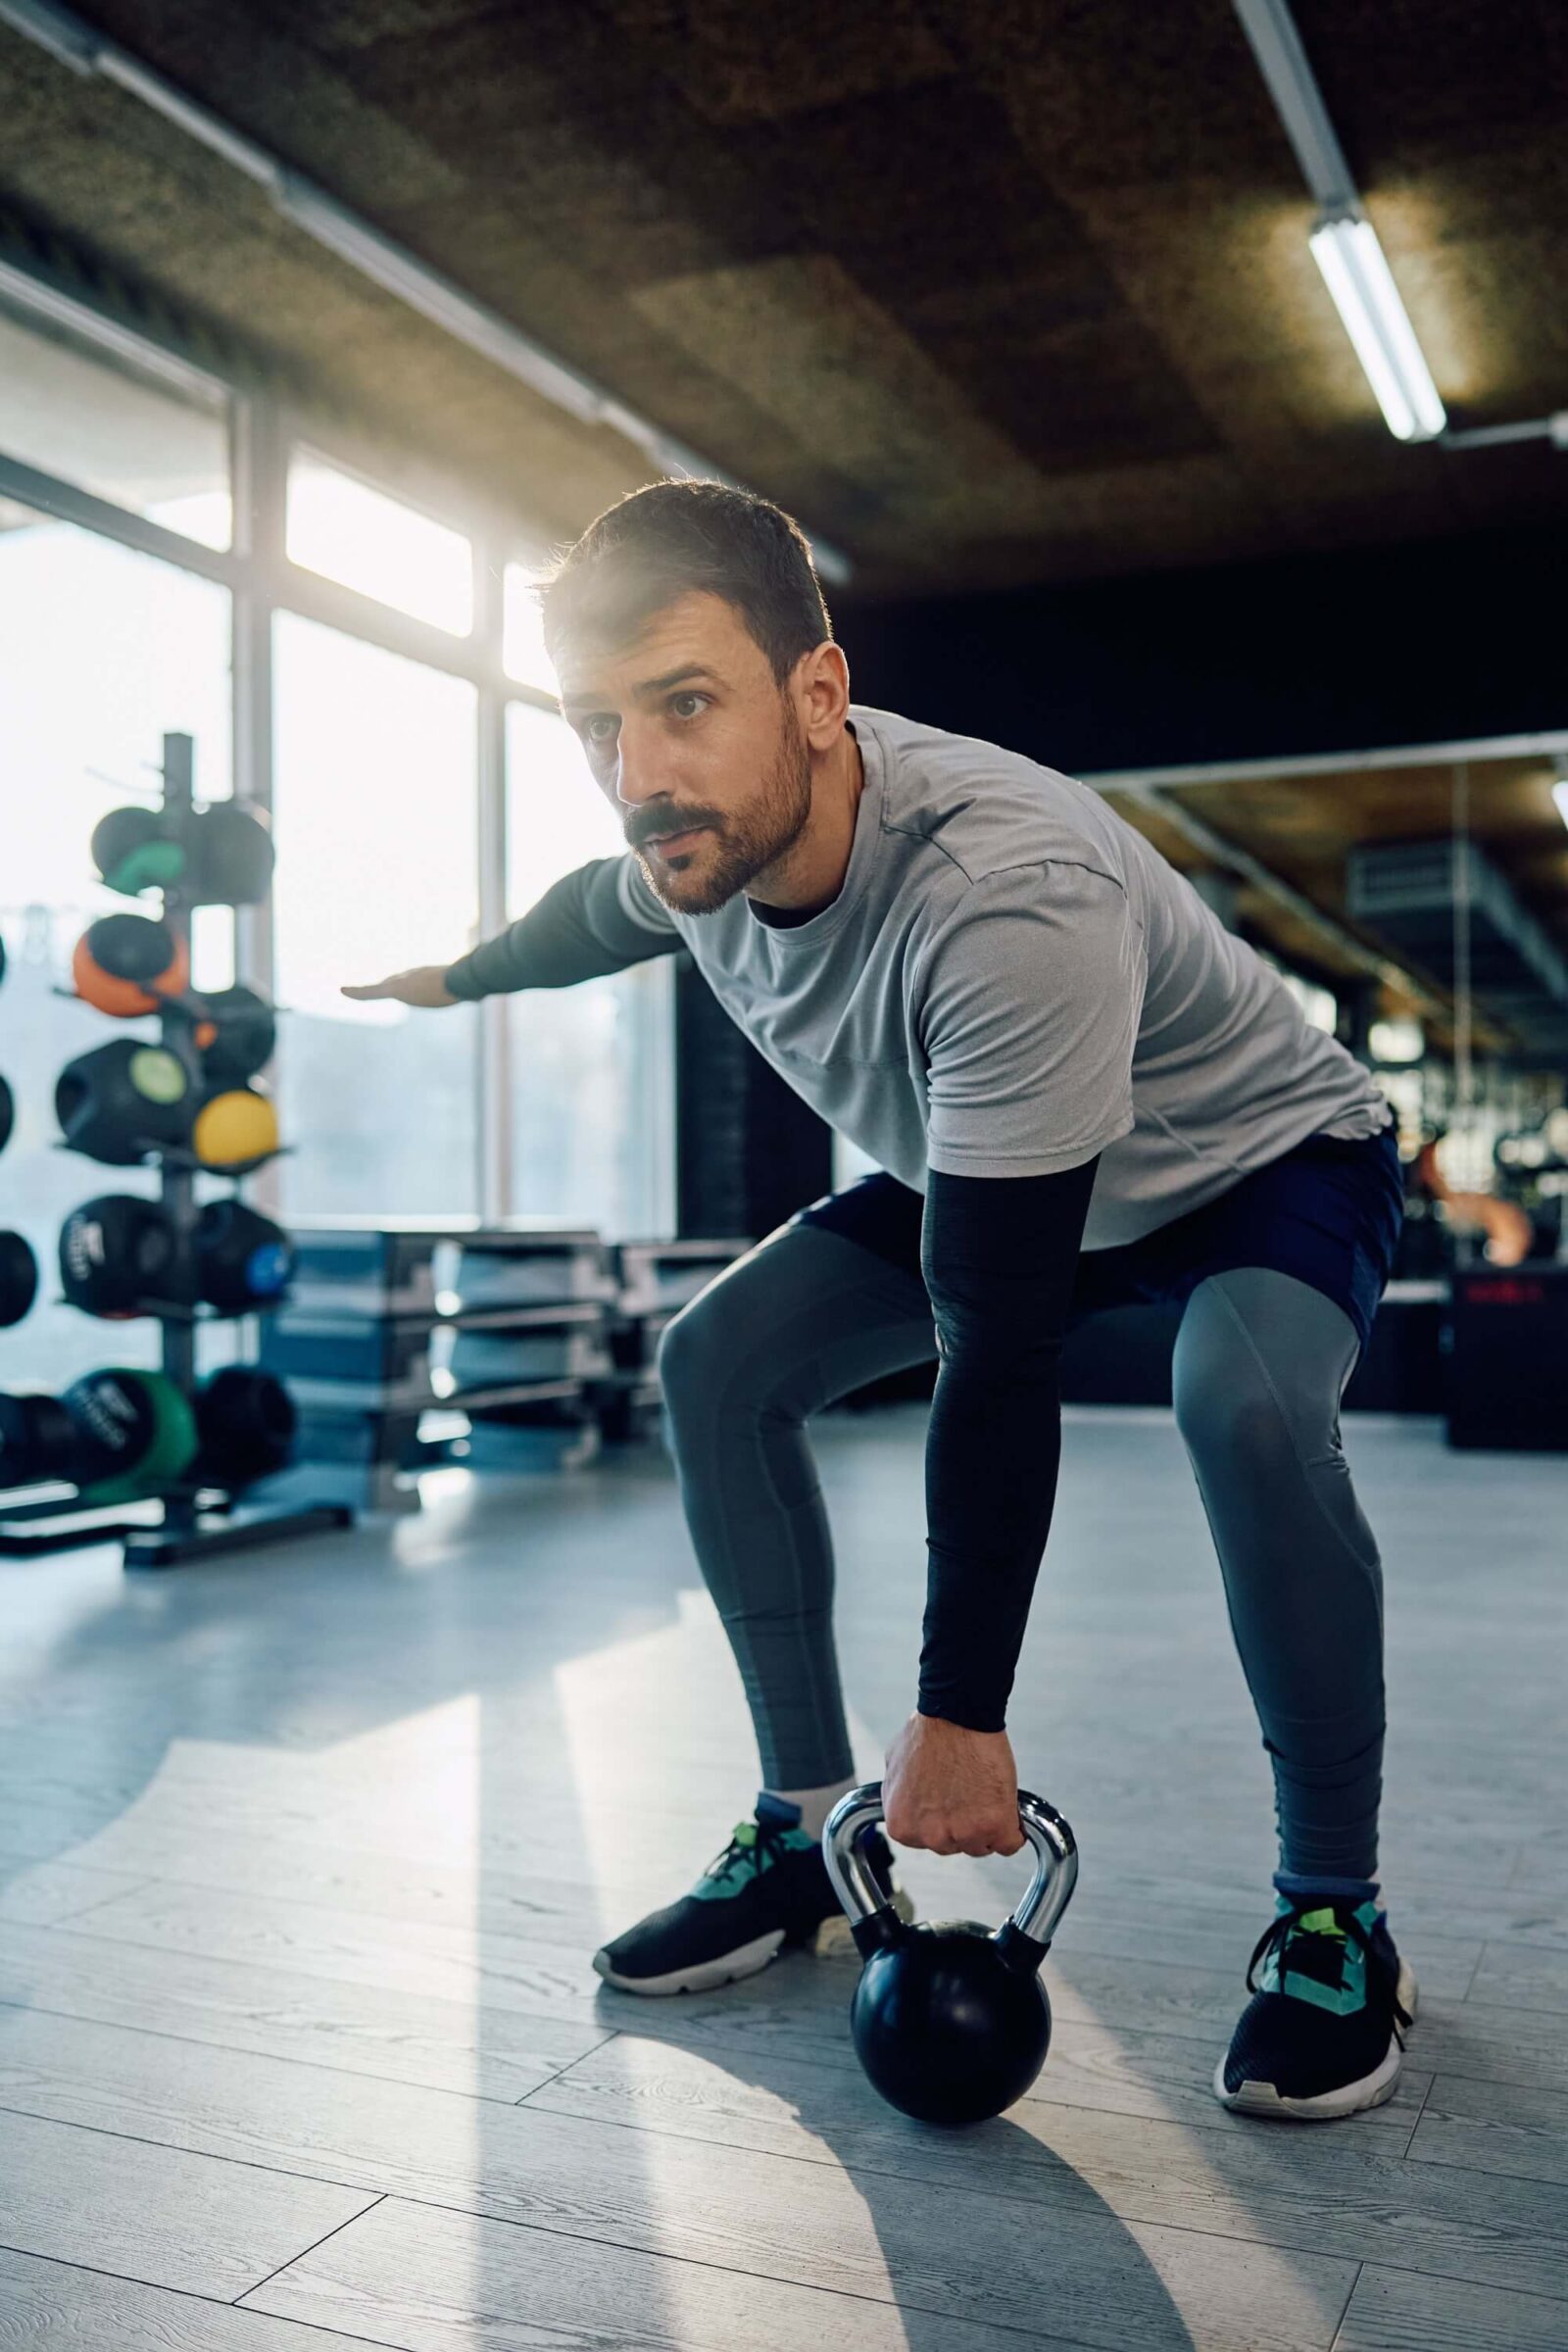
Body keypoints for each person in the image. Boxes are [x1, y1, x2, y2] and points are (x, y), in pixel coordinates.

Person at [346, 480, 1414, 2121]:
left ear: (818, 695)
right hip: (1004, 1158)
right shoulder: (699, 836)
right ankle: (794, 1828)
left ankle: (1335, 1912)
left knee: (1245, 1398)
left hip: (1252, 1163)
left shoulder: (1004, 893)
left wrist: (961, 1717)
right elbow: (592, 917)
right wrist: (459, 974)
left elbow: (1000, 1343)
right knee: (717, 1366)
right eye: (597, 727)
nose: (639, 776)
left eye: (685, 705)